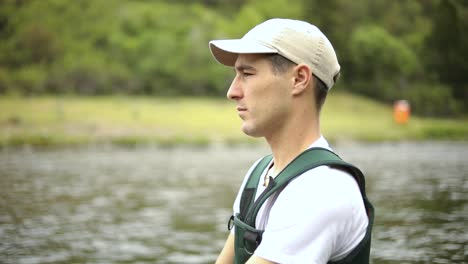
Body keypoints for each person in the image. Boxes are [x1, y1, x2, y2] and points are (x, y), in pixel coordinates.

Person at [208, 18, 374, 264]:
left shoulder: (323, 188)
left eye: (247, 73)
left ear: (299, 79)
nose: (232, 91)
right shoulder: (259, 174)